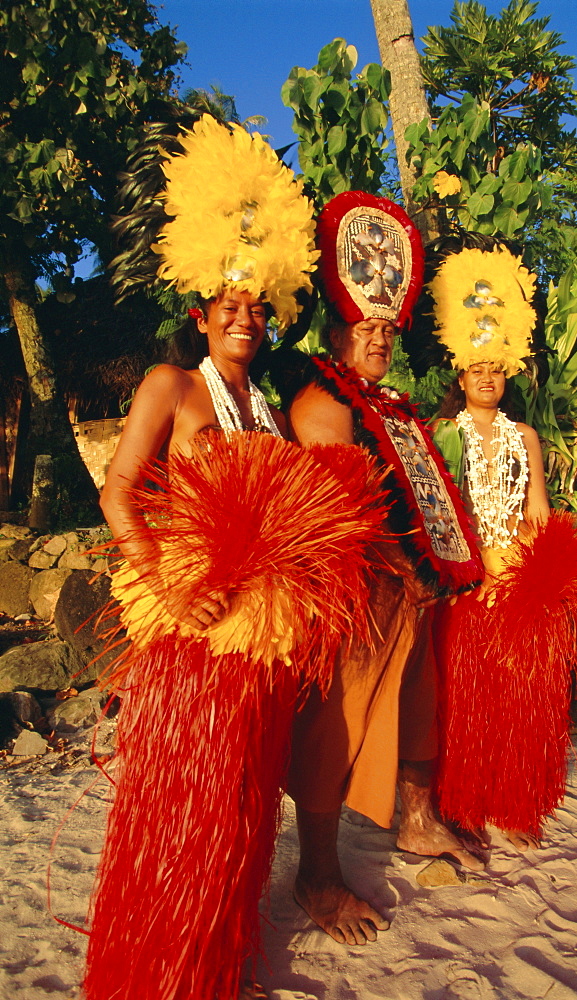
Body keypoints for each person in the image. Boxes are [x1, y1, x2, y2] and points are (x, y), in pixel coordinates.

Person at [83, 118, 388, 1000]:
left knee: (245, 812)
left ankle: (215, 953)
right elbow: (118, 491)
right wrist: (167, 588)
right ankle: (161, 969)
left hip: (262, 646)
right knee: (188, 806)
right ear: (200, 310)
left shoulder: (269, 410)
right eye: (230, 307)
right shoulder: (170, 388)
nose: (245, 319)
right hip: (194, 635)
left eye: (259, 309)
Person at [285, 191, 485, 947]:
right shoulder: (321, 401)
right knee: (335, 724)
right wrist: (393, 562)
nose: (379, 338)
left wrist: (435, 561)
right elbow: (339, 507)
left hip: (411, 590)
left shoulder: (391, 404)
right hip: (358, 598)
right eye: (366, 328)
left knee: (421, 703)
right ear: (337, 329)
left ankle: (417, 819)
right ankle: (316, 872)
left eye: (386, 329)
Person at [428, 244, 577, 851]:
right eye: (476, 368)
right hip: (464, 579)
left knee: (520, 693)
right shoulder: (441, 436)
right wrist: (468, 574)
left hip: (514, 574)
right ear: (459, 373)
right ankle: (462, 801)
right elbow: (439, 514)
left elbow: (536, 508)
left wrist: (535, 579)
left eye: (497, 368)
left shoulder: (527, 437)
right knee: (465, 696)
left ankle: (512, 800)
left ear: (508, 374)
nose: (487, 378)